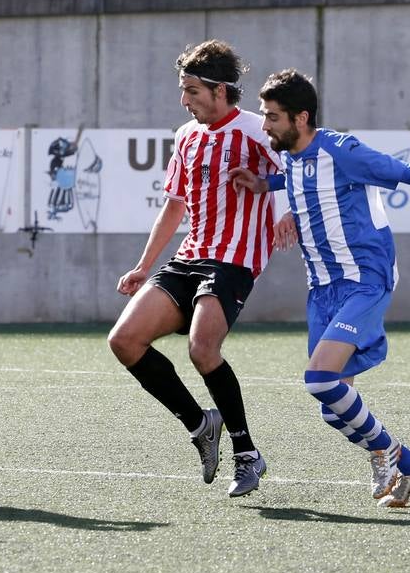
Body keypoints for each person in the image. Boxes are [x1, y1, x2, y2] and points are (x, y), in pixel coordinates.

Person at [231, 69, 410, 508]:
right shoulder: (292, 156)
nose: (266, 124)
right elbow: (299, 179)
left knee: (319, 379)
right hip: (323, 289)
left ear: (301, 117)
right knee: (332, 406)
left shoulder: (341, 150)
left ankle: (383, 449)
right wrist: (263, 185)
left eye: (272, 117)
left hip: (364, 280)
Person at [107, 40, 289, 497]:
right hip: (189, 257)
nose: (184, 100)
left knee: (202, 350)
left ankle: (246, 453)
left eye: (191, 90)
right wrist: (142, 266)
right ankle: (201, 424)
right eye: (183, 90)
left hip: (235, 260)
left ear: (221, 90)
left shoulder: (256, 130)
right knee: (125, 341)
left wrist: (281, 203)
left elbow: (302, 168)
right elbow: (174, 205)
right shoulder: (185, 136)